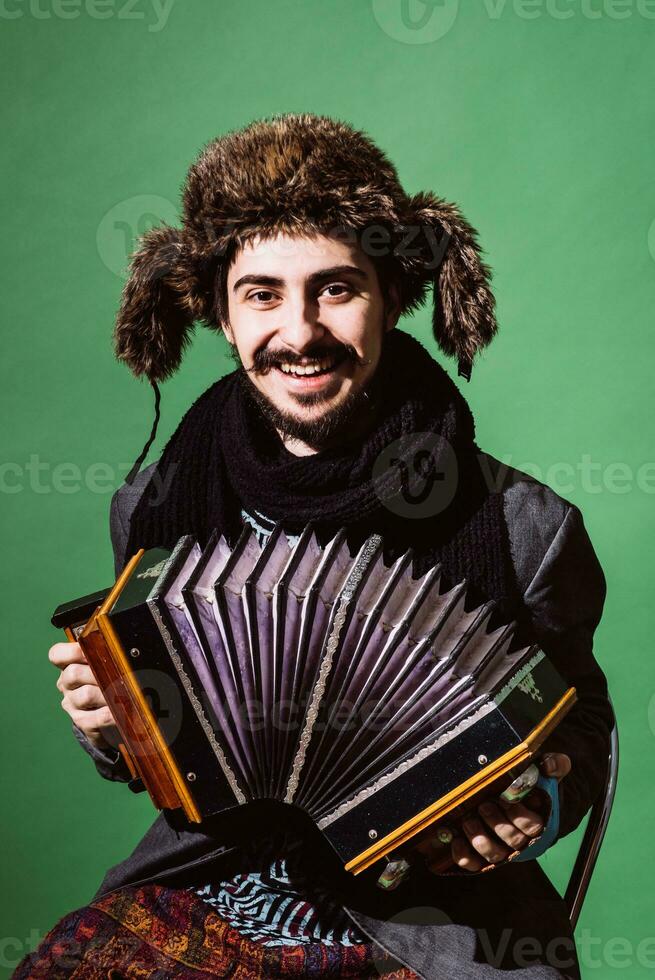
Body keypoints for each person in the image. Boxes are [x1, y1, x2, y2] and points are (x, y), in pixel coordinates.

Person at [24, 113, 611, 979]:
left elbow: (582, 733)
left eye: (336, 289)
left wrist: (539, 803)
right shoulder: (152, 507)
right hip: (213, 880)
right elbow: (168, 748)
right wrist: (112, 723)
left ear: (390, 299)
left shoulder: (523, 527)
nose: (298, 333)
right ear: (221, 314)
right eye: (262, 293)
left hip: (432, 915)